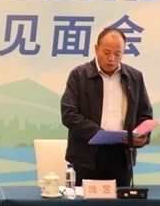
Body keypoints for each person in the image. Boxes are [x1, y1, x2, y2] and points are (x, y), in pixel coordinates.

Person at [60, 28, 153, 187]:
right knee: (84, 202)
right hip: (86, 156)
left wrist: (142, 137)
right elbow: (69, 114)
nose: (112, 58)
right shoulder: (79, 75)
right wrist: (99, 134)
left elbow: (144, 114)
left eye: (118, 53)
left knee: (120, 202)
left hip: (121, 156)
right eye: (107, 52)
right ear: (96, 49)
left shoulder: (134, 77)